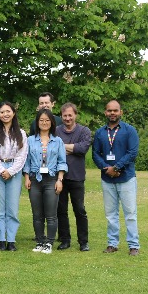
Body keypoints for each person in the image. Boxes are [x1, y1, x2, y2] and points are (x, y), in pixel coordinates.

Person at [92, 100, 140, 256]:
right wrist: (107, 169)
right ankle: (112, 244)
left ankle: (134, 245)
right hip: (107, 179)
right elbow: (95, 154)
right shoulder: (100, 132)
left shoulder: (129, 131)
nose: (112, 113)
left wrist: (117, 167)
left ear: (121, 112)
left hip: (126, 178)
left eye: (115, 110)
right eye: (109, 110)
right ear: (105, 112)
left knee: (130, 213)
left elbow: (132, 153)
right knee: (111, 214)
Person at [24, 109, 68, 254]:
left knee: (51, 214)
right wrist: (26, 178)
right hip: (35, 179)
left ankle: (49, 242)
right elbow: (27, 161)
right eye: (41, 120)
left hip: (51, 180)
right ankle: (39, 241)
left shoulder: (58, 141)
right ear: (37, 122)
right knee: (37, 215)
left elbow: (62, 162)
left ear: (52, 123)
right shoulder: (30, 140)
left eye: (47, 120)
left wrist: (60, 180)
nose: (44, 122)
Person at [0, 102, 28, 251]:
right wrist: (1, 170)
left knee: (12, 207)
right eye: (1, 112)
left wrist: (11, 171)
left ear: (13, 113)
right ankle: (1, 239)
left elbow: (22, 155)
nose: (5, 114)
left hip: (14, 170)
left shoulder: (22, 133)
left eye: (8, 111)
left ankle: (11, 240)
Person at [55, 103, 91, 251]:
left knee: (79, 210)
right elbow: (53, 149)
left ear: (75, 115)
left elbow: (83, 148)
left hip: (77, 176)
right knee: (61, 210)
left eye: (70, 115)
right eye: (65, 115)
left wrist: (62, 147)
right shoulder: (56, 130)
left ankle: (83, 242)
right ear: (61, 116)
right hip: (59, 177)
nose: (68, 118)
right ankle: (65, 240)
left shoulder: (84, 130)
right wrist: (72, 148)